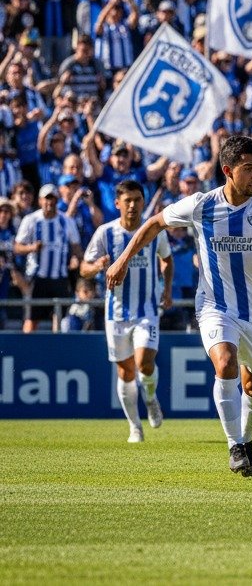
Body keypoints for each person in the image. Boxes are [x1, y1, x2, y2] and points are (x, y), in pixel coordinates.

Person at [105, 135, 252, 477]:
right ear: (228, 170)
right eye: (248, 168)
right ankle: (235, 446)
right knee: (225, 362)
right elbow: (155, 222)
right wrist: (123, 259)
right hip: (215, 306)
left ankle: (246, 437)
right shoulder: (202, 204)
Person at [80, 180, 173, 443]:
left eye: (137, 200)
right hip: (116, 313)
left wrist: (166, 290)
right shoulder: (105, 233)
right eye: (127, 200)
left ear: (143, 202)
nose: (132, 205)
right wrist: (97, 265)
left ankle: (151, 397)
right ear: (117, 203)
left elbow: (167, 259)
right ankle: (135, 427)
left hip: (147, 310)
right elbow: (83, 269)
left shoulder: (154, 232)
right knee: (125, 372)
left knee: (144, 363)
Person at [14, 183, 82, 333]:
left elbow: (76, 247)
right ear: (40, 201)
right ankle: (27, 350)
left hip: (60, 277)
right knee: (32, 318)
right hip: (38, 277)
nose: (49, 202)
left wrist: (76, 259)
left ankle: (56, 351)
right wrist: (32, 248)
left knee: (58, 317)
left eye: (52, 199)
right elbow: (17, 247)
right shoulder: (31, 220)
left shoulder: (66, 221)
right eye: (46, 199)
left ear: (57, 200)